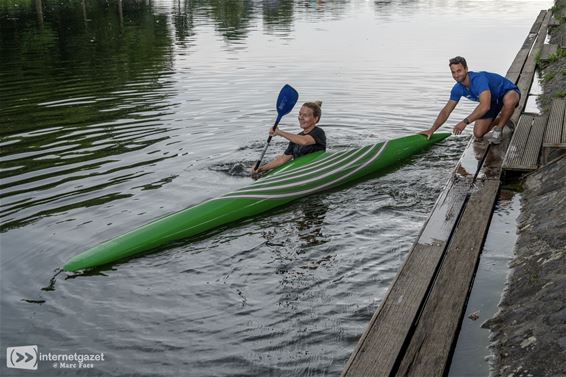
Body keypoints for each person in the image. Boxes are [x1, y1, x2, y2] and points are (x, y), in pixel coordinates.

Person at [419, 56, 520, 144]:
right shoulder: (457, 89)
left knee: (509, 100)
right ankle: (502, 119)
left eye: (459, 71)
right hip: (492, 101)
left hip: (508, 92)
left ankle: (499, 129)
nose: (456, 75)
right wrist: (432, 129)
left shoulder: (479, 80)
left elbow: (485, 106)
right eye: (453, 72)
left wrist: (464, 122)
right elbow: (446, 111)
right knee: (478, 133)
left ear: (466, 69)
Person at [251, 101, 326, 176]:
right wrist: (261, 169)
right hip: (299, 170)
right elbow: (282, 160)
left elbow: (304, 141)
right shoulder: (296, 138)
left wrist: (279, 132)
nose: (301, 118)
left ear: (315, 119)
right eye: (300, 114)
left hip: (314, 169)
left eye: (305, 115)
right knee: (278, 157)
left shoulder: (319, 132)